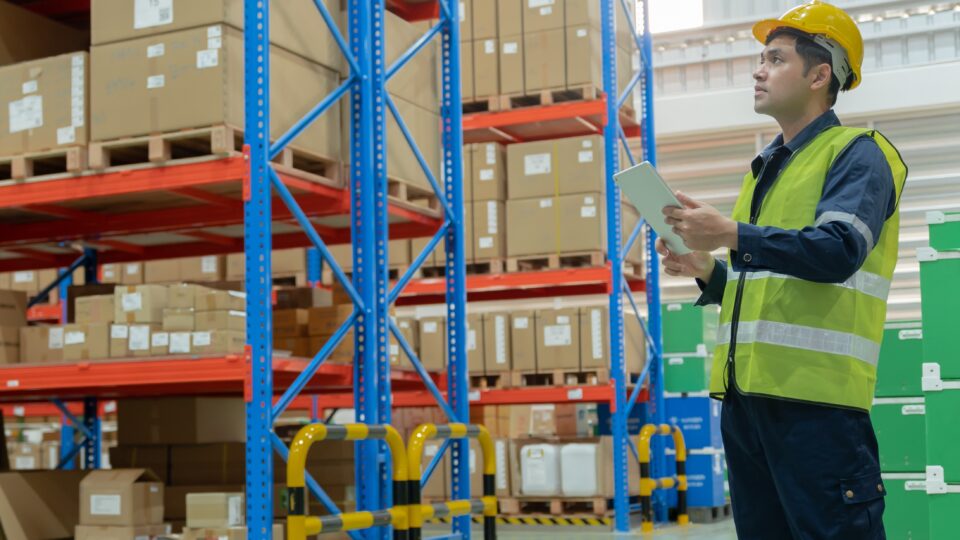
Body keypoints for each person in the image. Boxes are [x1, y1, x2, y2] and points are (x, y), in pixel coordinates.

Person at [656, 1, 907, 538]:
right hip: (747, 407)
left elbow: (838, 250)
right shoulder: (765, 170)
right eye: (761, 58)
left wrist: (729, 234)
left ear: (820, 75)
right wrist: (708, 268)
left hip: (817, 409)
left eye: (775, 58)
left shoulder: (859, 153)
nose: (758, 69)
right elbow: (768, 288)